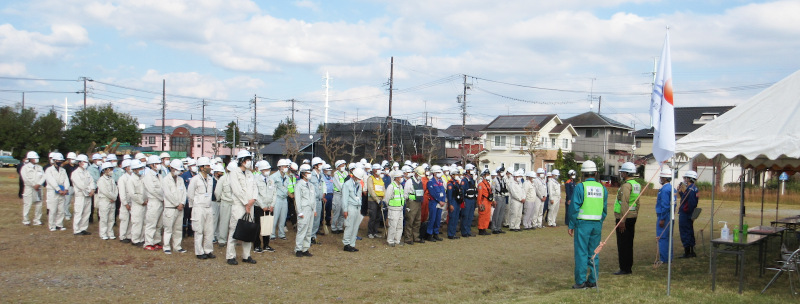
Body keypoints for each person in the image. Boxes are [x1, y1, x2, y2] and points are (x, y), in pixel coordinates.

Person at [568, 160, 608, 289]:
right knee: (594, 253)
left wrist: (571, 224)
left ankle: (580, 282)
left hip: (582, 224)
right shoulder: (602, 188)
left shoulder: (581, 187)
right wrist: (599, 221)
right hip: (597, 224)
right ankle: (593, 281)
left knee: (581, 253)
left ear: (583, 173)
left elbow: (574, 207)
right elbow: (604, 209)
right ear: (596, 173)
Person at [225, 151, 258, 265]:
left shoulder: (250, 174)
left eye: (249, 159)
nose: (248, 162)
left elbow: (255, 187)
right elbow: (237, 190)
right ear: (241, 160)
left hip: (250, 205)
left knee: (249, 230)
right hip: (239, 205)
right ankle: (230, 256)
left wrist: (253, 200)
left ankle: (246, 255)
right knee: (234, 229)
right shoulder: (234, 173)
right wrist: (246, 203)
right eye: (247, 159)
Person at [613, 162, 640, 275]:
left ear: (626, 173)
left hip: (624, 217)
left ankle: (624, 268)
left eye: (622, 172)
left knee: (623, 244)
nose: (621, 174)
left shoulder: (626, 186)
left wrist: (622, 220)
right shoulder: (636, 185)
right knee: (629, 243)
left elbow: (624, 203)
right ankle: (628, 267)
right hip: (632, 216)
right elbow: (637, 203)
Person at [189, 158, 218, 259]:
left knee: (209, 230)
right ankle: (199, 252)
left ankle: (208, 250)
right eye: (207, 166)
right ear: (201, 168)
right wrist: (195, 205)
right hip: (199, 207)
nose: (209, 168)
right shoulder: (195, 179)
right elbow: (190, 194)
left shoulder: (210, 179)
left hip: (208, 207)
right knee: (199, 230)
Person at [162, 159, 188, 255]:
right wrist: (177, 204)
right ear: (171, 168)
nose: (178, 171)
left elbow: (184, 192)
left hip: (180, 208)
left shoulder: (180, 179)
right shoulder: (165, 180)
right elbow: (168, 194)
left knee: (178, 229)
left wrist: (182, 203)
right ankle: (166, 246)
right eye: (176, 169)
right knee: (168, 229)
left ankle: (177, 246)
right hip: (170, 208)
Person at [253, 160, 276, 253]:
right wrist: (262, 205)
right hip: (259, 207)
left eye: (268, 169)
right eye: (266, 169)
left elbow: (275, 193)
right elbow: (256, 194)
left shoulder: (271, 180)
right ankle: (257, 245)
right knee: (257, 227)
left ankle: (266, 244)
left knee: (267, 226)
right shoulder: (256, 180)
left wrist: (272, 205)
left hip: (269, 207)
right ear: (261, 170)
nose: (268, 171)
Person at [294, 164, 316, 257]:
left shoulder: (311, 185)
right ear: (303, 174)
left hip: (310, 209)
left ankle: (305, 248)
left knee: (309, 230)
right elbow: (297, 200)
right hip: (303, 209)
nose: (309, 174)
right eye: (307, 173)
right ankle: (298, 249)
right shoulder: (299, 185)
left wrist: (314, 209)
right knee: (302, 229)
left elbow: (313, 198)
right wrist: (299, 212)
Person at [342, 168, 367, 252]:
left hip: (357, 207)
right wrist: (345, 210)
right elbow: (344, 198)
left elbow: (359, 196)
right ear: (355, 176)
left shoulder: (359, 184)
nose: (359, 180)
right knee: (349, 226)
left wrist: (359, 208)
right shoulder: (347, 184)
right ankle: (346, 244)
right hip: (350, 206)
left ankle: (352, 244)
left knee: (355, 227)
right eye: (359, 178)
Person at [143, 155, 164, 251]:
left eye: (159, 163)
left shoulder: (159, 176)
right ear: (151, 165)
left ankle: (156, 241)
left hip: (161, 202)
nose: (159, 165)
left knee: (159, 224)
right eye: (157, 164)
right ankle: (148, 242)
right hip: (154, 201)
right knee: (151, 223)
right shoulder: (148, 176)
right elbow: (152, 190)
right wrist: (162, 197)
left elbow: (163, 188)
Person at [71, 154, 96, 235]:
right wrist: (89, 190)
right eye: (84, 162)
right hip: (80, 195)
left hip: (88, 195)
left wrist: (92, 189)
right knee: (79, 212)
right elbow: (81, 185)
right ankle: (76, 229)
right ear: (80, 162)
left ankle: (83, 228)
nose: (85, 163)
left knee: (86, 212)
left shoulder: (87, 172)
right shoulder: (75, 173)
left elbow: (92, 181)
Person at [44, 153, 69, 231]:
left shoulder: (63, 170)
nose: (59, 162)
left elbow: (66, 180)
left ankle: (59, 224)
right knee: (53, 209)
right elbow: (51, 180)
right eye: (58, 160)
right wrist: (58, 189)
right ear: (54, 160)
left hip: (62, 191)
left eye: (60, 160)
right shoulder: (49, 170)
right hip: (52, 191)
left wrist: (66, 189)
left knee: (61, 209)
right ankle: (52, 225)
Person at [678, 170, 699, 258]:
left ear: (689, 179)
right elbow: (685, 199)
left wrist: (689, 214)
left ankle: (688, 252)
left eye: (686, 178)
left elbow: (690, 203)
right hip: (688, 213)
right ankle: (691, 251)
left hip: (686, 214)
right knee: (689, 231)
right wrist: (680, 192)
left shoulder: (690, 190)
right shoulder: (694, 188)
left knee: (685, 232)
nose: (685, 180)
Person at [20, 151, 45, 226]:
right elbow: (25, 178)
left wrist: (39, 184)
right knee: (27, 204)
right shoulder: (25, 168)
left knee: (39, 204)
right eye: (35, 158)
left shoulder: (39, 167)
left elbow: (44, 176)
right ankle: (26, 220)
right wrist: (34, 185)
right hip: (29, 188)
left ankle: (37, 220)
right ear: (30, 159)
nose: (36, 159)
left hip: (39, 188)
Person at [269, 159, 291, 240]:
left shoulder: (287, 177)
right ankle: (272, 234)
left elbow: (287, 188)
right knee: (275, 217)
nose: (286, 168)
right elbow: (271, 189)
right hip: (277, 198)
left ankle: (281, 233)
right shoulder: (273, 177)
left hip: (284, 198)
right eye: (285, 166)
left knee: (283, 216)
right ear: (280, 167)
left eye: (287, 166)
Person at [656, 167, 674, 264]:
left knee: (662, 237)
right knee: (668, 237)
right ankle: (669, 257)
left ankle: (664, 258)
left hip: (664, 216)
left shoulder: (664, 189)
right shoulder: (672, 188)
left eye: (662, 177)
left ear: (665, 178)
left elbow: (665, 205)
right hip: (670, 216)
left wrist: (662, 218)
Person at [403, 166, 425, 244]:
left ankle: (416, 237)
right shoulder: (409, 181)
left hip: (419, 202)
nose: (420, 177)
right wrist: (407, 203)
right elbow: (405, 193)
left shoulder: (420, 181)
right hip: (412, 202)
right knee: (410, 220)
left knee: (417, 220)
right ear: (415, 173)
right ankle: (408, 238)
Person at [96, 162, 118, 240]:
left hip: (112, 201)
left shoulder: (112, 179)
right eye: (110, 169)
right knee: (104, 218)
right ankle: (103, 233)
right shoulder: (101, 180)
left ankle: (110, 232)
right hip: (105, 200)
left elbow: (115, 189)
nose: (112, 171)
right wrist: (112, 197)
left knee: (111, 218)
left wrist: (114, 197)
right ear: (105, 170)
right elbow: (105, 191)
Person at [384, 170, 405, 246]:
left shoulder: (400, 186)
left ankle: (397, 240)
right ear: (396, 178)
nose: (402, 178)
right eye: (401, 176)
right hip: (393, 209)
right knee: (393, 225)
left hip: (400, 208)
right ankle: (390, 240)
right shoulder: (391, 186)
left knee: (400, 226)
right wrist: (390, 206)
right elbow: (387, 198)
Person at [128, 160, 147, 246]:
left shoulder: (143, 177)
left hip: (145, 203)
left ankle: (142, 238)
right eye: (139, 168)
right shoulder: (131, 180)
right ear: (134, 169)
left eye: (141, 168)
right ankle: (135, 240)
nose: (141, 169)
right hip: (137, 204)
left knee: (144, 222)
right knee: (137, 222)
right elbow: (132, 194)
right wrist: (141, 201)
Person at [425, 165, 445, 242]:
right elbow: (432, 193)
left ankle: (435, 233)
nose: (439, 173)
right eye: (438, 172)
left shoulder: (440, 181)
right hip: (434, 202)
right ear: (434, 173)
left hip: (440, 203)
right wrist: (439, 201)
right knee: (432, 219)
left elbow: (443, 191)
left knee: (438, 219)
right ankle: (429, 234)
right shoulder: (430, 182)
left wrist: (442, 201)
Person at [309, 157, 326, 244]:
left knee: (317, 219)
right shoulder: (311, 175)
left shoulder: (321, 175)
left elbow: (322, 186)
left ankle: (313, 236)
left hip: (319, 200)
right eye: (319, 164)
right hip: (313, 200)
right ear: (315, 166)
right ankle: (309, 237)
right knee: (312, 219)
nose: (321, 166)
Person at [366, 164, 385, 239]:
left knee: (378, 216)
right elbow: (371, 190)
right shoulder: (370, 178)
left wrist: (383, 198)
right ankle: (370, 232)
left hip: (380, 199)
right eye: (378, 169)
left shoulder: (380, 178)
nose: (379, 170)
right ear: (374, 170)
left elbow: (383, 188)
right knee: (372, 216)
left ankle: (375, 231)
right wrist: (377, 199)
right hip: (373, 200)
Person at [117, 159, 133, 243]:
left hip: (133, 202)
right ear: (126, 168)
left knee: (131, 220)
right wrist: (125, 203)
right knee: (124, 219)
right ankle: (122, 236)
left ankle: (129, 235)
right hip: (126, 202)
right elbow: (122, 193)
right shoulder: (122, 179)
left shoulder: (133, 177)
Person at [460, 164, 478, 237]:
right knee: (465, 216)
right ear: (467, 170)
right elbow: (462, 191)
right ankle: (464, 232)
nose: (473, 171)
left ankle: (468, 230)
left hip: (472, 199)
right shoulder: (464, 180)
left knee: (470, 216)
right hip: (467, 200)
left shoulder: (472, 180)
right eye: (471, 170)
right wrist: (463, 200)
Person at [331, 160, 348, 234]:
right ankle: (333, 227)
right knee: (336, 211)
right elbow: (338, 185)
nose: (343, 166)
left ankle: (340, 227)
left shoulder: (346, 173)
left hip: (344, 194)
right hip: (338, 194)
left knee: (342, 211)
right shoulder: (336, 174)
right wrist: (345, 189)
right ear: (337, 167)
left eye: (344, 165)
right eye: (341, 165)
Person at [490, 167, 509, 234]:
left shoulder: (503, 180)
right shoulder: (495, 180)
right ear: (498, 172)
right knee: (496, 213)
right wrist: (493, 200)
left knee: (501, 213)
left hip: (503, 197)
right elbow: (492, 191)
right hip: (497, 197)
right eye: (501, 171)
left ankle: (499, 227)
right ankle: (494, 228)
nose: (502, 172)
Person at [446, 168, 462, 239]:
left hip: (457, 201)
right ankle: (450, 234)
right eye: (456, 174)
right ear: (452, 175)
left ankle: (453, 233)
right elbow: (449, 195)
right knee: (452, 218)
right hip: (453, 201)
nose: (457, 175)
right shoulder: (450, 183)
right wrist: (450, 204)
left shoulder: (457, 182)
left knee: (456, 218)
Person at [211, 164, 225, 244]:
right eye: (220, 173)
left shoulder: (221, 181)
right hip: (213, 202)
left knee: (220, 220)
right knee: (214, 220)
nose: (221, 174)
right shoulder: (212, 181)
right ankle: (212, 236)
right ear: (216, 173)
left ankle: (218, 235)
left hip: (221, 202)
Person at [62, 152, 78, 221]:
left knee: (77, 201)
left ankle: (76, 213)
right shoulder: (65, 167)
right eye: (71, 159)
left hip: (76, 186)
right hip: (69, 186)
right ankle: (67, 214)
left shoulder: (77, 167)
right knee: (67, 201)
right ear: (68, 159)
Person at [476, 169, 493, 235]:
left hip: (488, 201)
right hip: (483, 201)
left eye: (488, 174)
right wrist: (479, 203)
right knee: (482, 216)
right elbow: (479, 195)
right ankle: (481, 229)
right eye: (486, 174)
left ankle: (485, 228)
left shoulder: (488, 184)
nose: (488, 176)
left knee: (487, 216)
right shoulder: (481, 184)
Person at [322, 164, 334, 231]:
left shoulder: (331, 178)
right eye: (328, 170)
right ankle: (321, 221)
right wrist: (323, 196)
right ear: (324, 170)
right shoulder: (322, 177)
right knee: (323, 209)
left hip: (331, 195)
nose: (329, 171)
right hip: (325, 195)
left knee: (329, 209)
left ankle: (328, 220)